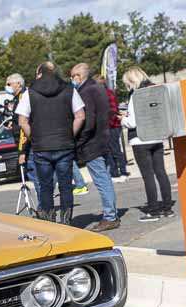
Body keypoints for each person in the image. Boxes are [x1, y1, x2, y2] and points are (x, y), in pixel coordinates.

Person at [16, 62, 85, 224]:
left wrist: (34, 137)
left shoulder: (29, 92)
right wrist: (70, 134)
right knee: (66, 185)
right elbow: (80, 115)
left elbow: (22, 121)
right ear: (55, 72)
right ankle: (67, 221)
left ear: (39, 73)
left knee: (46, 186)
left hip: (41, 146)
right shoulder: (69, 89)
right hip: (64, 144)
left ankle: (50, 220)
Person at [121, 67, 174, 221]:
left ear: (132, 81)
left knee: (148, 176)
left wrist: (123, 119)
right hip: (157, 136)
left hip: (140, 139)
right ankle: (167, 207)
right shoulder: (155, 90)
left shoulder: (136, 95)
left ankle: (153, 210)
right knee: (161, 172)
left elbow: (132, 123)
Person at [71, 63, 120, 232]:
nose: (72, 79)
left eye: (73, 76)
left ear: (80, 76)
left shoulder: (86, 92)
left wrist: (79, 141)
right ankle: (111, 213)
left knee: (101, 180)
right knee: (105, 179)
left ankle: (110, 216)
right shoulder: (97, 88)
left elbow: (88, 121)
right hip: (103, 139)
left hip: (93, 143)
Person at [7, 73, 38, 195]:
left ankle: (44, 206)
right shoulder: (16, 99)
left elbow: (23, 126)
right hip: (25, 144)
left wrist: (22, 151)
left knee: (35, 175)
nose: (7, 87)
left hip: (28, 146)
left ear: (19, 84)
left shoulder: (22, 98)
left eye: (9, 84)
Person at [93, 74, 129, 178]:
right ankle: (114, 172)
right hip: (106, 126)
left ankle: (123, 171)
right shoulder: (99, 94)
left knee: (115, 149)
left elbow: (113, 111)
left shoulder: (108, 93)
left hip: (112, 126)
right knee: (108, 150)